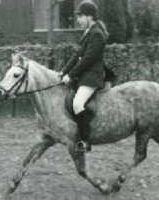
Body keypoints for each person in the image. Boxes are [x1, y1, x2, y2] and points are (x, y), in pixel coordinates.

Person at [59, 0, 109, 153]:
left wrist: (71, 75)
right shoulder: (89, 33)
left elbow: (87, 59)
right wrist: (63, 71)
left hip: (92, 76)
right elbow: (77, 55)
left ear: (90, 17)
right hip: (85, 75)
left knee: (77, 103)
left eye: (80, 16)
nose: (78, 20)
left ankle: (85, 141)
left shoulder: (97, 34)